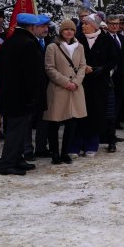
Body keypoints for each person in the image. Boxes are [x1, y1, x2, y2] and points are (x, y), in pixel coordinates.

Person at [0, 13, 50, 176]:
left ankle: (17, 159)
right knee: (16, 131)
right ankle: (6, 164)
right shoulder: (28, 44)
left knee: (17, 129)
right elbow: (32, 75)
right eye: (40, 26)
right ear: (32, 27)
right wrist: (33, 96)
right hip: (22, 97)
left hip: (11, 94)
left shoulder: (11, 41)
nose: (43, 29)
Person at [44, 19, 87, 164]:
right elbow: (49, 68)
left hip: (75, 89)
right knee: (54, 123)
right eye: (66, 29)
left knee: (72, 123)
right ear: (61, 31)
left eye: (72, 29)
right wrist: (65, 82)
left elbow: (82, 66)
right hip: (58, 88)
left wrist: (75, 82)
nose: (69, 32)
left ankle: (65, 152)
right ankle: (55, 153)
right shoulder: (52, 47)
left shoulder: (79, 47)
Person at [75, 14, 118, 156]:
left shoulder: (106, 40)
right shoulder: (78, 40)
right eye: (82, 24)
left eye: (86, 24)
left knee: (97, 112)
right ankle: (79, 143)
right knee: (82, 113)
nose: (83, 26)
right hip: (83, 81)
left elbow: (114, 59)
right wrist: (82, 67)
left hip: (100, 82)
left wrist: (103, 69)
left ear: (94, 26)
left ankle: (92, 145)